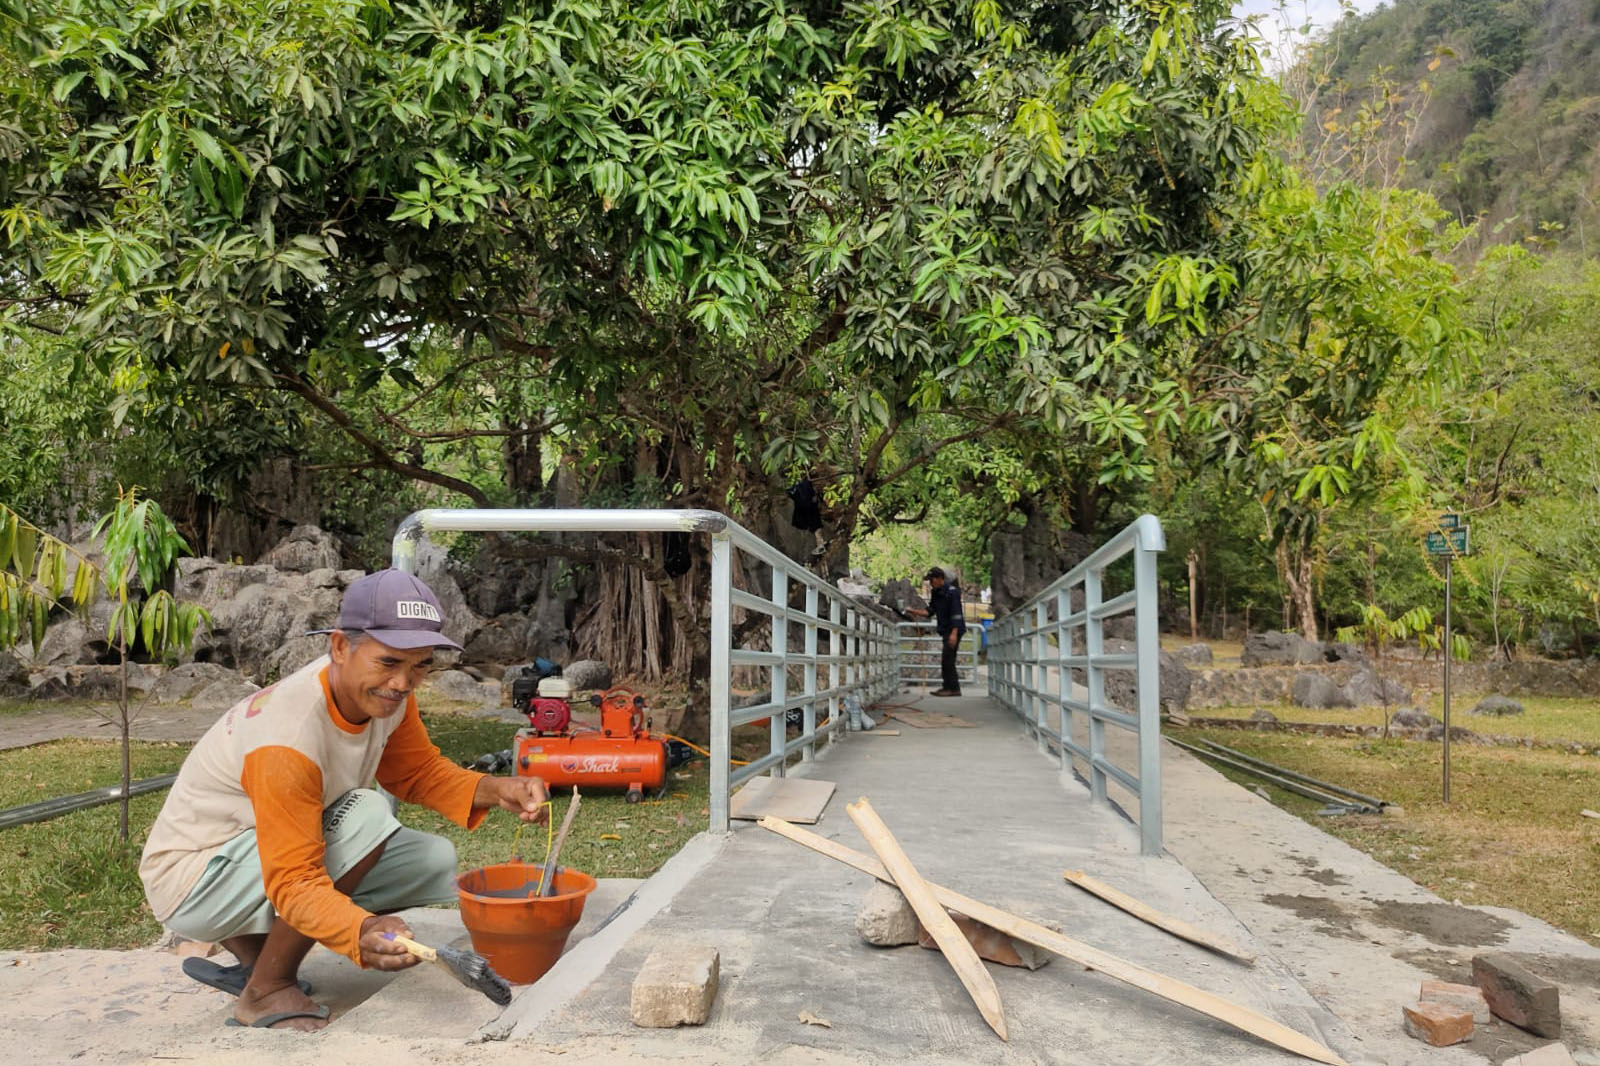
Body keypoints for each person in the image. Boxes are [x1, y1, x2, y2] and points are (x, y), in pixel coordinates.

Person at [139, 569, 550, 1031]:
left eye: (420, 666)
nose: (403, 682)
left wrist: (498, 789)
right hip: (193, 879)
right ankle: (265, 989)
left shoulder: (385, 696)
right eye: (389, 662)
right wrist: (358, 931)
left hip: (248, 855)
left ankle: (256, 955)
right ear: (339, 647)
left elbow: (414, 772)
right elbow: (294, 879)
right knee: (366, 816)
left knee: (430, 859)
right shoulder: (287, 736)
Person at [909, 566, 967, 696]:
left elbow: (956, 614)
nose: (931, 583)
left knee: (948, 659)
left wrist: (954, 633)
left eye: (932, 580)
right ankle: (949, 687)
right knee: (947, 659)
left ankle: (952, 688)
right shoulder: (936, 593)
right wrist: (913, 611)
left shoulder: (952, 592)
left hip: (954, 629)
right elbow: (930, 611)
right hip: (946, 629)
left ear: (941, 578)